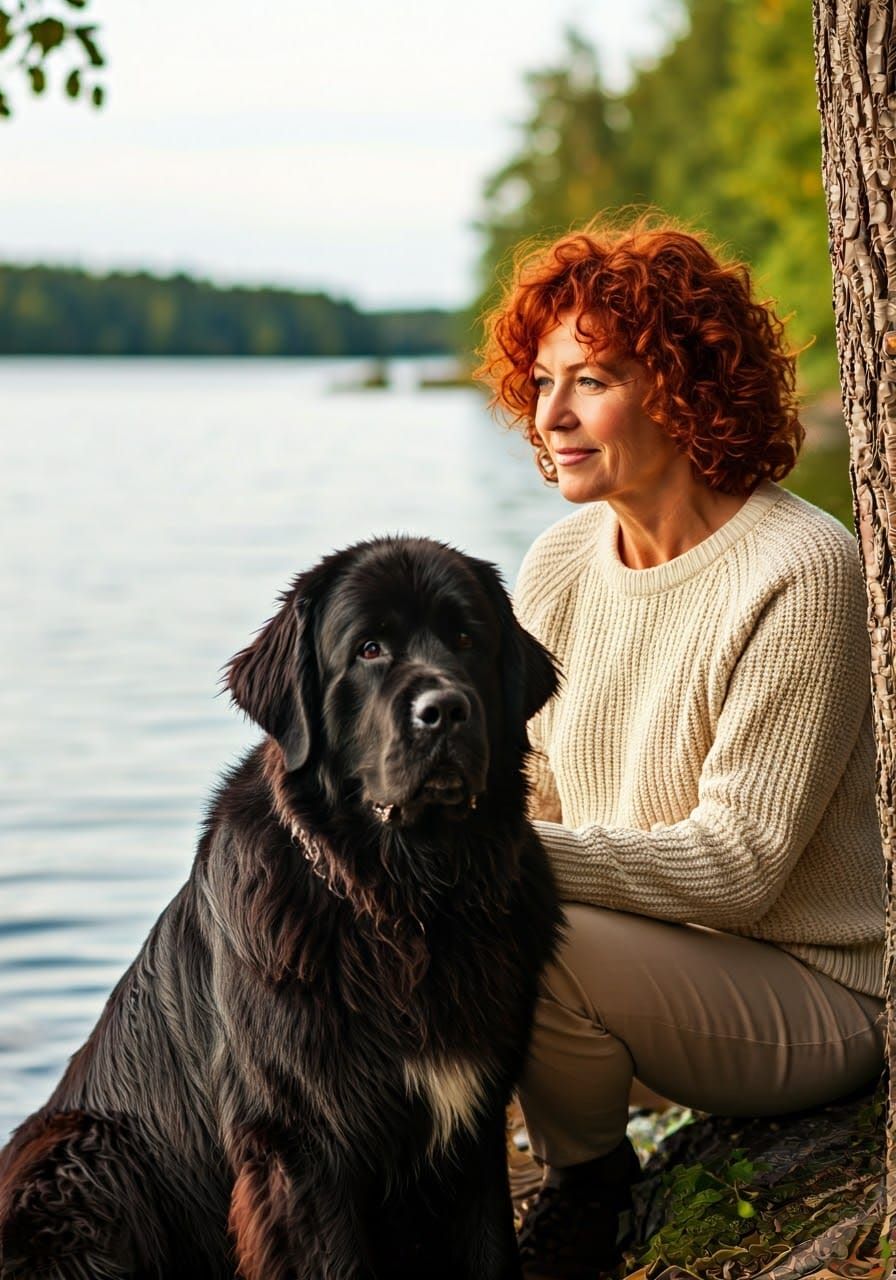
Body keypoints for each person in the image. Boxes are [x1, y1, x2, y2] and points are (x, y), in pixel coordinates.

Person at [476, 217, 886, 1279]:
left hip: (814, 991)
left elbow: (739, 868)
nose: (550, 414)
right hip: (646, 974)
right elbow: (537, 791)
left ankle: (586, 1194)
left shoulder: (797, 568)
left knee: (523, 920)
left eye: (592, 380)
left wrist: (489, 854)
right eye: (543, 379)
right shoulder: (559, 562)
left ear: (678, 387)